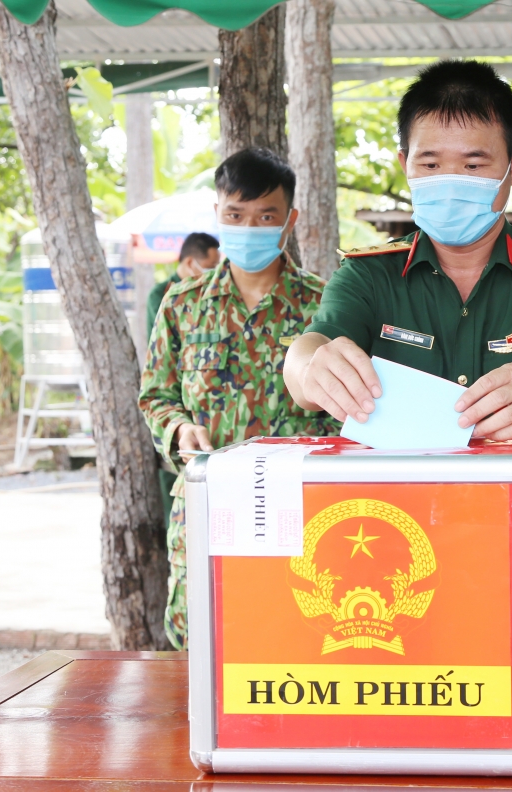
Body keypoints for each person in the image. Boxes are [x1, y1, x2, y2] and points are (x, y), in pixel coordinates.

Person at [282, 60, 512, 656]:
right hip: (380, 551)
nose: (448, 179)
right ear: (405, 166)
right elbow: (311, 350)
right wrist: (310, 368)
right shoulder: (367, 275)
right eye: (430, 163)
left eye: (474, 163)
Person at [140, 147, 339, 650]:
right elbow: (156, 395)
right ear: (218, 217)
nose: (249, 227)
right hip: (208, 508)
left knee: (299, 642)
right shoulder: (182, 304)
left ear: (288, 220)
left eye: (265, 216)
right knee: (205, 644)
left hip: (303, 512)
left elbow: (351, 408)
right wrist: (180, 430)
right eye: (235, 215)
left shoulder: (326, 306)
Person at [146, 231, 221, 530]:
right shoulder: (166, 296)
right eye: (210, 264)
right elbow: (160, 356)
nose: (216, 271)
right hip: (175, 394)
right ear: (191, 263)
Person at [146, 232, 220, 343]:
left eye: (216, 267)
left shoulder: (211, 291)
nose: (214, 272)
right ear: (190, 263)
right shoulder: (162, 293)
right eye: (210, 267)